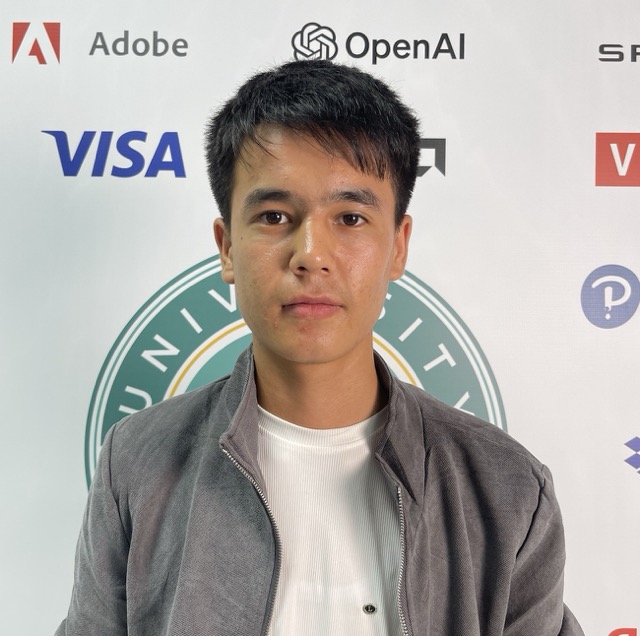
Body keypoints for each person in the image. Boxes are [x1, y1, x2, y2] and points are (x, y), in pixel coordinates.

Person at [56, 59, 584, 636]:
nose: (311, 254)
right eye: (274, 216)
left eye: (350, 218)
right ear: (227, 247)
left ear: (398, 246)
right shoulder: (137, 463)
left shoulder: (508, 489)